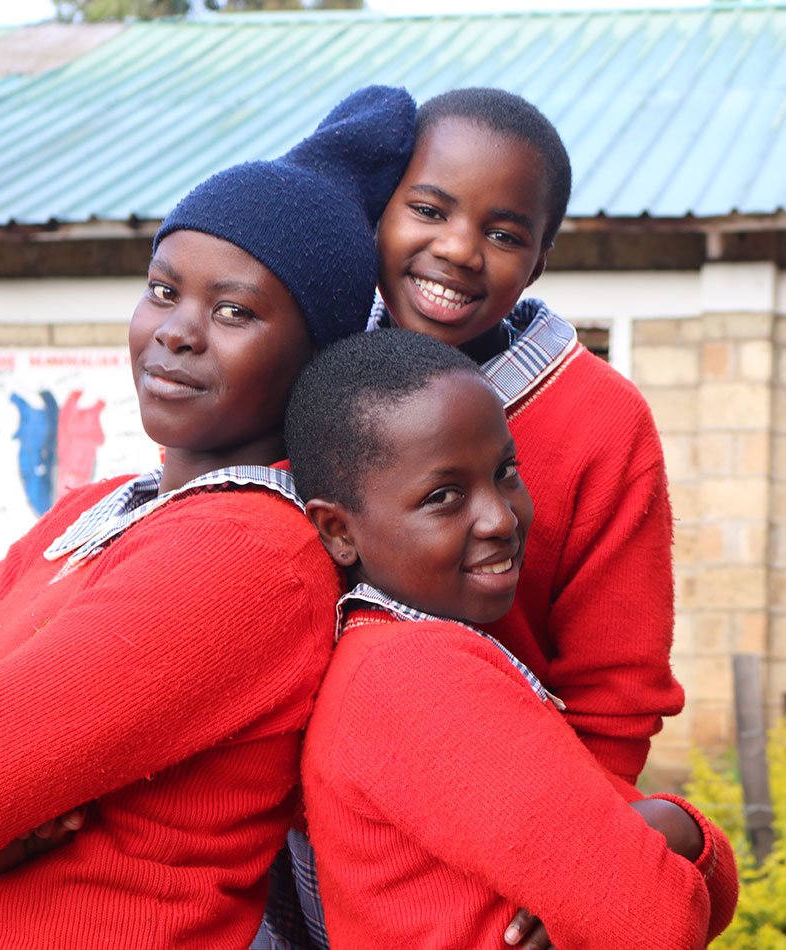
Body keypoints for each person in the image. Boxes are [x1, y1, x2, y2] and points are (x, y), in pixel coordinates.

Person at [0, 85, 416, 950]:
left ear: (315, 358)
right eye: (162, 290)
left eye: (234, 311)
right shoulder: (99, 509)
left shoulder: (251, 556)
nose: (176, 332)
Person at [255, 86, 688, 950]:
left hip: (484, 859)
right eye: (427, 209)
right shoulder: (307, 373)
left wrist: (574, 864)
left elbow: (616, 690)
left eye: (503, 233)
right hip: (268, 833)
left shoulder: (601, 424)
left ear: (539, 260)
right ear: (379, 213)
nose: (456, 250)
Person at [284, 328, 737, 949]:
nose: (500, 517)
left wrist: (671, 840)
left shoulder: (392, 655)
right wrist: (679, 831)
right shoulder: (418, 680)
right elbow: (654, 921)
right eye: (444, 497)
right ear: (338, 531)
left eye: (506, 472)